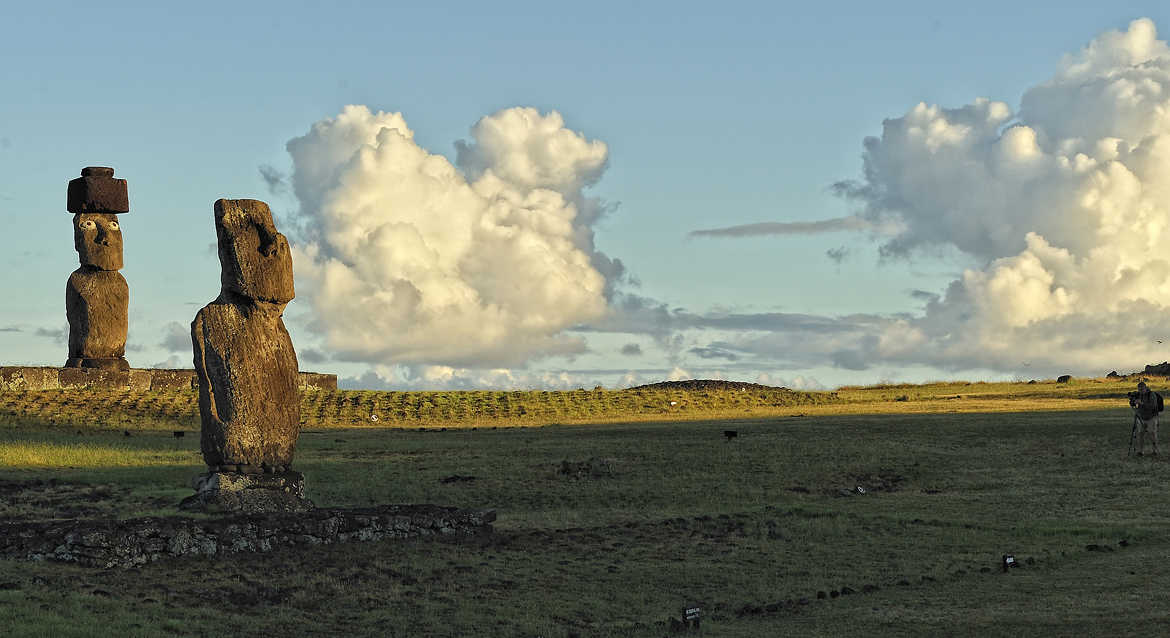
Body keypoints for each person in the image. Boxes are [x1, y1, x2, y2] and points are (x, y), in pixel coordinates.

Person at [1131, 382, 1160, 456]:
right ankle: (1140, 451)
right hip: (1141, 417)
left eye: (1142, 389)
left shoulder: (1151, 395)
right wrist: (1133, 402)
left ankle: (1155, 450)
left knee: (1152, 433)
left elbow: (1153, 406)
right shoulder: (1138, 395)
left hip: (1152, 417)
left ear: (1145, 388)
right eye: (1139, 389)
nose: (1140, 391)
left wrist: (1142, 403)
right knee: (1140, 434)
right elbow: (1133, 404)